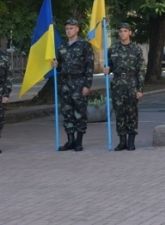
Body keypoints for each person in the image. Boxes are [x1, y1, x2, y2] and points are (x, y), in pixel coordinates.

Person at [51, 19, 93, 152]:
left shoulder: (84, 45)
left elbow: (89, 66)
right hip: (65, 83)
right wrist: (56, 66)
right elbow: (60, 67)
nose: (69, 31)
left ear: (77, 29)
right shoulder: (62, 47)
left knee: (80, 112)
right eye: (67, 28)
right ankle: (70, 140)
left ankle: (79, 141)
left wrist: (87, 85)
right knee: (67, 112)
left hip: (79, 82)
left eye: (71, 28)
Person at [102, 22, 145, 151]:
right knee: (119, 112)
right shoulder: (113, 49)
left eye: (125, 31)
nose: (123, 34)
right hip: (118, 83)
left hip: (131, 82)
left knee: (131, 112)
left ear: (130, 33)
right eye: (120, 31)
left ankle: (131, 140)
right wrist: (107, 69)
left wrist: (140, 89)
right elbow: (109, 66)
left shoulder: (136, 49)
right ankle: (122, 141)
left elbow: (141, 70)